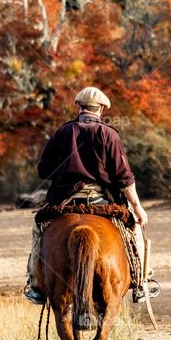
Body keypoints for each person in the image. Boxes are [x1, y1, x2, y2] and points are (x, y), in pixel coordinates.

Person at [25, 86, 149, 305]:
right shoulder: (109, 134)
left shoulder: (62, 133)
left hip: (64, 202)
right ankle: (140, 281)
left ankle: (35, 284)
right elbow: (124, 177)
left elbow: (43, 171)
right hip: (102, 202)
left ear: (78, 107)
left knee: (39, 229)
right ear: (101, 109)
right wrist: (137, 207)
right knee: (135, 230)